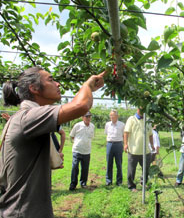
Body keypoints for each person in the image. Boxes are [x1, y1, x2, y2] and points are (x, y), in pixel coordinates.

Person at [0, 67, 105, 218]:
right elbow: (81, 106)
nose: (57, 84)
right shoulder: (29, 117)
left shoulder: (23, 117)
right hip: (23, 212)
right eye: (50, 80)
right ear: (34, 88)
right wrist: (87, 86)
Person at [123, 108, 154, 192]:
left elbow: (150, 134)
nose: (142, 111)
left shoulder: (147, 120)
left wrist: (152, 144)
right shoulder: (131, 119)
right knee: (131, 170)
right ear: (137, 109)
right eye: (141, 109)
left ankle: (144, 182)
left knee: (146, 168)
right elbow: (126, 132)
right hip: (134, 150)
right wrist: (125, 144)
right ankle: (131, 186)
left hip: (146, 151)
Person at [69, 111, 95, 190]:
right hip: (77, 150)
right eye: (86, 117)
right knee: (75, 167)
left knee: (85, 168)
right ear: (82, 117)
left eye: (89, 117)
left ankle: (83, 183)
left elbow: (91, 137)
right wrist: (78, 143)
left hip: (87, 151)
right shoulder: (78, 125)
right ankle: (73, 184)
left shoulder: (92, 126)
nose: (88, 118)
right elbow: (72, 136)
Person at [104, 109, 125, 186]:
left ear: (117, 116)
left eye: (113, 115)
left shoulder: (122, 125)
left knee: (119, 163)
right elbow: (106, 133)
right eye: (111, 115)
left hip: (118, 144)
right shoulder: (107, 124)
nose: (112, 117)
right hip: (109, 144)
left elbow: (124, 135)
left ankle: (119, 181)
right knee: (109, 163)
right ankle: (108, 180)